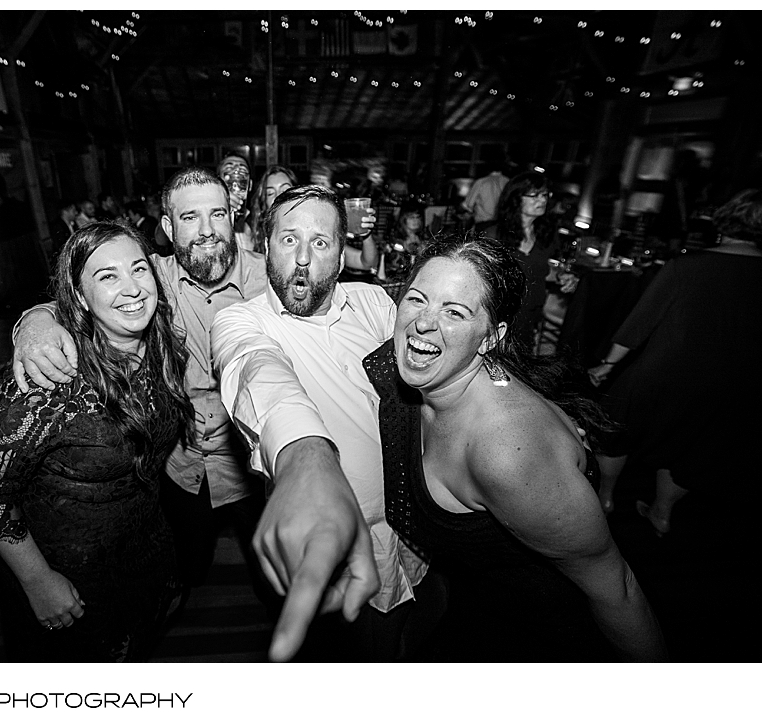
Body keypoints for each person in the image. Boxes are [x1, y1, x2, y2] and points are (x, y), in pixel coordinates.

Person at [360, 232, 668, 661]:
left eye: (454, 311)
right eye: (416, 299)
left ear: (490, 338)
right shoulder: (402, 369)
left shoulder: (506, 456)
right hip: (473, 601)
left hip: (542, 635)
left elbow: (617, 589)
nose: (424, 323)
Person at [10, 168, 270, 609]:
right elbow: (82, 296)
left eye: (218, 214)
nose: (207, 232)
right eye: (190, 218)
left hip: (255, 469)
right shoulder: (151, 278)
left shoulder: (270, 283)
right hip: (178, 465)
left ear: (234, 218)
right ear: (169, 228)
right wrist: (34, 323)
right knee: (188, 566)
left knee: (272, 572)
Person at [212, 185, 444, 662]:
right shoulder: (240, 322)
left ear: (340, 256)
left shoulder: (373, 305)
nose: (302, 258)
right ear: (265, 246)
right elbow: (260, 373)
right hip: (338, 546)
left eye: (319, 242)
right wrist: (306, 456)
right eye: (288, 239)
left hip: (420, 529)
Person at [0, 220, 195, 661]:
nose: (132, 289)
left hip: (146, 549)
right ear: (81, 297)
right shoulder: (51, 375)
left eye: (139, 269)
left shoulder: (161, 345)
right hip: (69, 572)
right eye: (107, 277)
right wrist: (36, 580)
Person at [587, 189, 761, 533]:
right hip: (733, 382)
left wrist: (607, 363)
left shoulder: (687, 266)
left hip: (665, 373)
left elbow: (640, 322)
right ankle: (661, 514)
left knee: (615, 429)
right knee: (693, 447)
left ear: (724, 222)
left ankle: (605, 498)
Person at [493, 171, 577, 349]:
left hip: (531, 311)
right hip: (499, 314)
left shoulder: (546, 234)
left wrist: (561, 275)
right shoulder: (494, 234)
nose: (542, 200)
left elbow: (541, 270)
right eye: (534, 195)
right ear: (516, 198)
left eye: (545, 195)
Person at [249, 165, 298, 254]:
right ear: (264, 205)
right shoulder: (259, 244)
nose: (278, 196)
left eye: (285, 190)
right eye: (270, 193)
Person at [378, 203, 427, 282]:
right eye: (411, 217)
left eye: (418, 217)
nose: (415, 220)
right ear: (404, 220)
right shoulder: (395, 242)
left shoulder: (422, 240)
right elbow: (393, 266)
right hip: (396, 282)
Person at [461, 151, 509, 232]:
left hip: (484, 225)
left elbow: (468, 205)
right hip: (503, 225)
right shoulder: (508, 182)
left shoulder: (481, 182)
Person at [216, 154, 255, 251]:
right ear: (217, 182)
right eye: (229, 168)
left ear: (249, 185)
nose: (236, 171)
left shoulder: (257, 223)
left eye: (242, 170)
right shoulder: (206, 220)